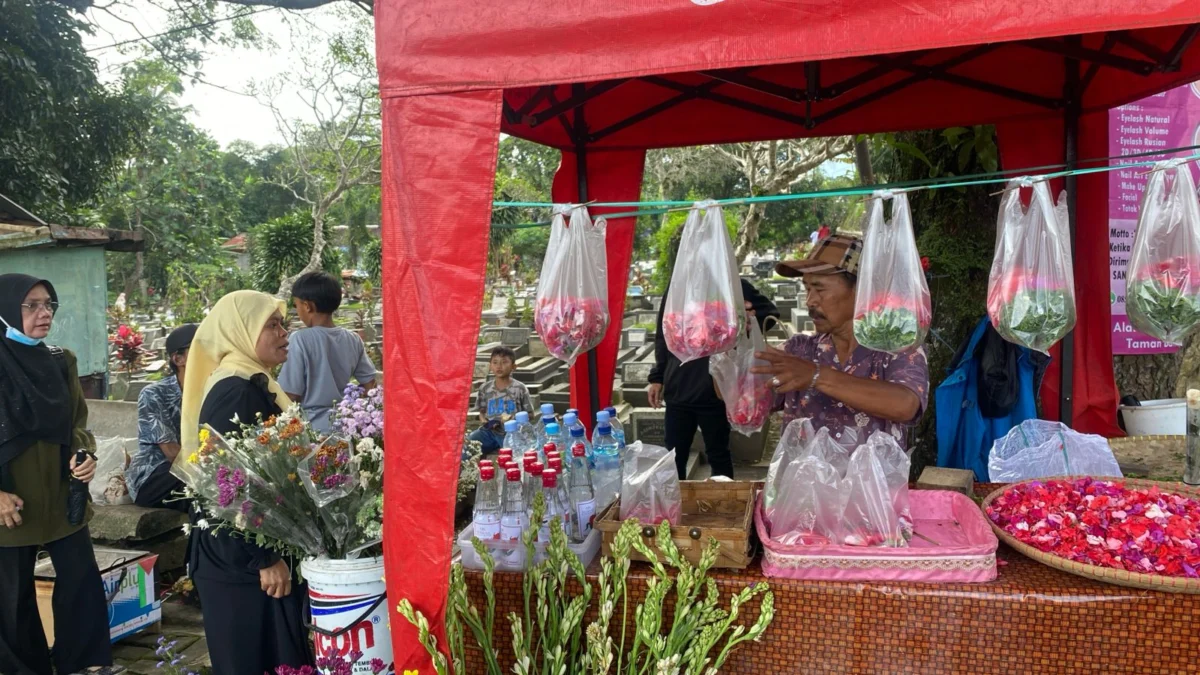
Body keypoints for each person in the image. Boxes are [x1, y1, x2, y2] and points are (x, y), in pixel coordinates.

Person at [177, 291, 312, 675]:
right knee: (250, 658)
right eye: (271, 325)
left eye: (282, 323)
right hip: (238, 561)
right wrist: (264, 558)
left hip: (253, 554)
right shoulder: (235, 390)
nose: (284, 332)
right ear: (240, 331)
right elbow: (225, 481)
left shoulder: (256, 382)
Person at [0, 274, 115, 675]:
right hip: (11, 498)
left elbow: (78, 423)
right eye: (30, 305)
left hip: (62, 490)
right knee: (11, 597)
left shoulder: (59, 359)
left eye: (48, 304)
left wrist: (84, 452)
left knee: (80, 582)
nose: (43, 313)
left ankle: (82, 665)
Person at [751, 235, 929, 447]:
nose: (810, 301)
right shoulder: (799, 350)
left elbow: (906, 404)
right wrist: (739, 340)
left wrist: (816, 375)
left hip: (871, 481)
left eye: (820, 288)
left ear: (861, 290)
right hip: (802, 479)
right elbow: (738, 392)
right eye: (807, 289)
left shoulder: (896, 350)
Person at [649, 278, 780, 479]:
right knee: (674, 457)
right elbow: (662, 333)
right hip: (678, 388)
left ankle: (724, 506)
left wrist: (743, 322)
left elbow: (768, 312)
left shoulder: (731, 283)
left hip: (715, 389)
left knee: (718, 455)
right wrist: (657, 377)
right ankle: (674, 507)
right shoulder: (677, 286)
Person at [278, 271, 377, 434]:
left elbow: (290, 395)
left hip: (312, 431)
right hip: (345, 427)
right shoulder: (353, 339)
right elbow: (370, 385)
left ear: (307, 306)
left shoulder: (300, 339)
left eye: (296, 305)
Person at [126, 324, 197, 511]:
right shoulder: (154, 394)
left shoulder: (210, 391)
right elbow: (172, 453)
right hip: (155, 475)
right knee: (209, 489)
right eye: (200, 348)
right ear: (178, 358)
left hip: (193, 470)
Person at [468, 346, 533, 455]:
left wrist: (514, 419)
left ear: (513, 367)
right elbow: (482, 412)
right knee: (468, 446)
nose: (499, 366)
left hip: (512, 433)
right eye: (495, 362)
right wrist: (485, 422)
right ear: (490, 366)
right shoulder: (485, 388)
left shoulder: (519, 388)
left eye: (504, 362)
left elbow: (530, 414)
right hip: (489, 433)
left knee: (518, 454)